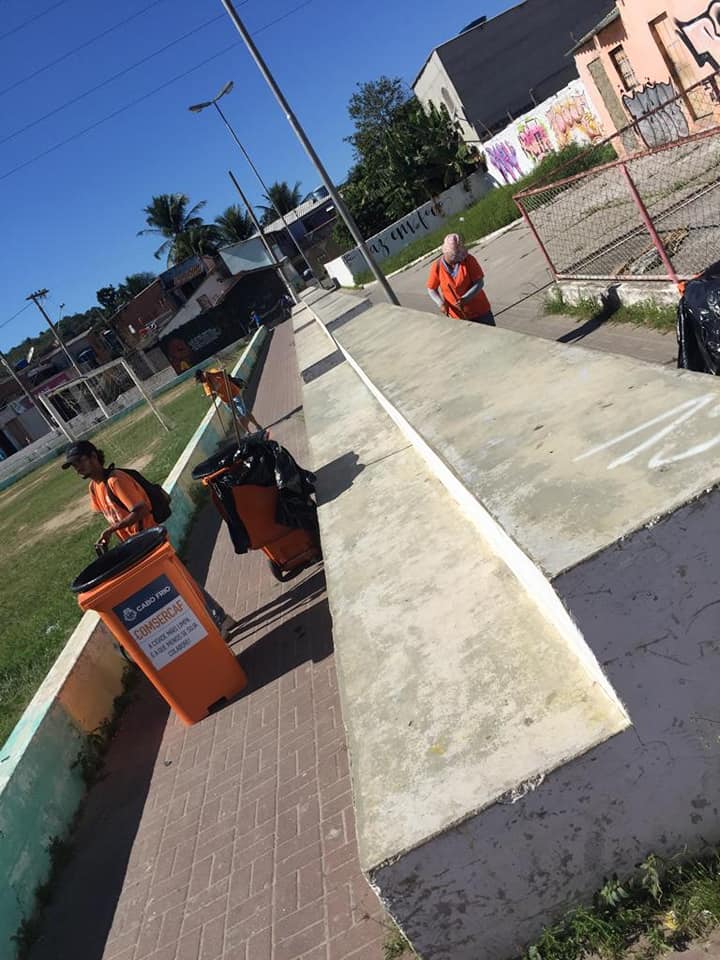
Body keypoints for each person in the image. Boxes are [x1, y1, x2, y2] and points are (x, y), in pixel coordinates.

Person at [62, 440, 234, 637]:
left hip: (151, 543)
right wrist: (113, 535)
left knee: (181, 582)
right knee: (176, 586)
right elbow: (112, 514)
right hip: (136, 549)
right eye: (74, 465)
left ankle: (221, 619)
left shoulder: (116, 480)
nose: (77, 468)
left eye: (79, 462)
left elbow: (141, 509)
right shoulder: (95, 488)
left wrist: (113, 529)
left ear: (94, 457)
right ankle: (215, 621)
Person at [426, 233, 495, 326]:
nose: (460, 257)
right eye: (456, 255)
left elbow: (479, 283)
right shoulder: (437, 266)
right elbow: (431, 289)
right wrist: (441, 304)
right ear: (446, 253)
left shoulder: (468, 260)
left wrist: (465, 298)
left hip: (480, 311)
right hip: (458, 318)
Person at [195, 367, 265, 435]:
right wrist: (212, 396)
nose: (201, 381)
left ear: (203, 374)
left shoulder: (213, 371)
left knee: (243, 412)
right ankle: (248, 432)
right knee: (238, 416)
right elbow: (209, 394)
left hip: (234, 393)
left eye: (200, 379)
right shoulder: (206, 384)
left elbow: (223, 373)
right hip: (226, 400)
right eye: (199, 381)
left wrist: (210, 374)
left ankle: (257, 426)